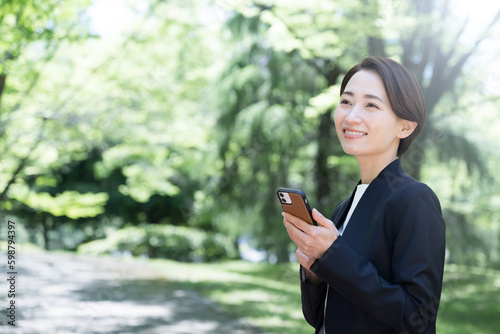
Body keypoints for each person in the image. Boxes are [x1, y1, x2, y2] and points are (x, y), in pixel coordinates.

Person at [282, 56, 446, 334]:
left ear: (405, 126)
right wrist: (313, 269)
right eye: (346, 102)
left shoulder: (414, 200)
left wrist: (332, 255)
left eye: (371, 105)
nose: (351, 115)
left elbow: (418, 318)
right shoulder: (342, 209)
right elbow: (318, 318)